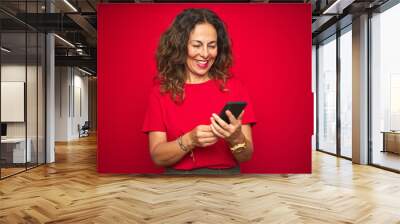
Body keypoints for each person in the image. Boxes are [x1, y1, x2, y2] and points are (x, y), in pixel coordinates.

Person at [142, 8, 256, 175]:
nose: (205, 54)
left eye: (212, 46)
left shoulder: (235, 87)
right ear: (180, 46)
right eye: (196, 45)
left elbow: (246, 156)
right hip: (178, 183)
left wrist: (236, 138)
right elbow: (157, 157)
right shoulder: (160, 92)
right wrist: (189, 140)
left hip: (226, 181)